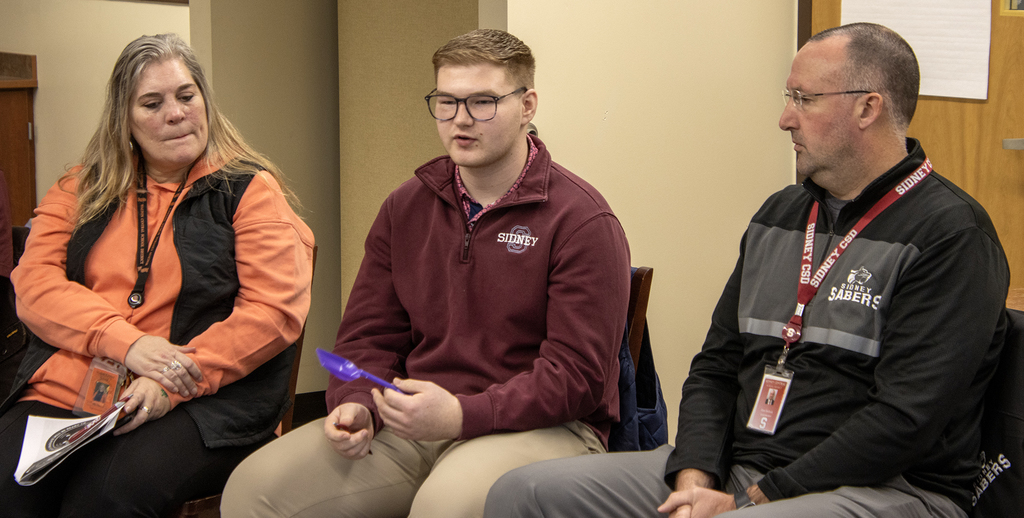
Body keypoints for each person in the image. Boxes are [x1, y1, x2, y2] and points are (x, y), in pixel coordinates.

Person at [483, 22, 1008, 518]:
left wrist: (753, 500)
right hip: (740, 471)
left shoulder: (952, 236)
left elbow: (903, 420)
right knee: (524, 493)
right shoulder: (780, 215)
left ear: (869, 107)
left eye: (803, 99)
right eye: (788, 98)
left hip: (887, 490)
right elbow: (715, 366)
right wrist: (694, 478)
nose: (785, 118)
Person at [221, 28, 630, 518]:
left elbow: (577, 378)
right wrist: (355, 401)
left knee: (444, 506)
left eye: (483, 102)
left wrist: (461, 414)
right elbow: (368, 335)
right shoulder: (406, 207)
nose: (460, 120)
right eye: (446, 101)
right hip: (414, 420)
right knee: (252, 489)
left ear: (528, 105)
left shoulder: (582, 220)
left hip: (544, 428)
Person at [0, 33, 315, 517]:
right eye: (152, 103)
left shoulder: (249, 190)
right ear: (123, 119)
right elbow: (35, 285)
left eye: (186, 96)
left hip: (199, 400)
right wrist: (125, 342)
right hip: (72, 385)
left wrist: (169, 379)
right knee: (9, 489)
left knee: (105, 496)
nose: (176, 113)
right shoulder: (81, 186)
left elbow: (272, 314)